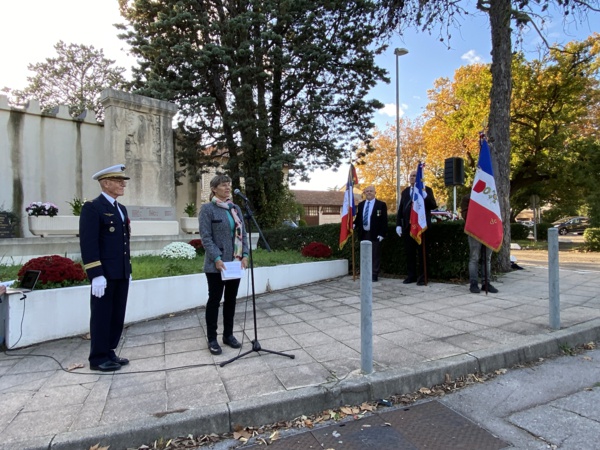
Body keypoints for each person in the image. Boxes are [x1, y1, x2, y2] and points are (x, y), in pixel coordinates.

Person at [79, 164, 132, 372]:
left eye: (123, 181)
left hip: (120, 271)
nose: (122, 184)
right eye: (118, 181)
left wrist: (128, 269)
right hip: (104, 274)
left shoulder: (121, 209)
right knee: (101, 315)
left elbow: (124, 243)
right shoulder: (93, 207)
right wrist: (96, 274)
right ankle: (98, 357)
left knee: (117, 315)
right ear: (105, 183)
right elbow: (89, 243)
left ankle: (109, 351)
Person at [199, 174, 249, 355]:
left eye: (229, 184)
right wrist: (217, 258)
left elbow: (242, 234)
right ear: (214, 189)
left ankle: (228, 335)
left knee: (231, 300)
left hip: (235, 263)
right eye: (223, 185)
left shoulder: (235, 208)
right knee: (214, 300)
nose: (227, 188)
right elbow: (206, 237)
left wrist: (244, 254)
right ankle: (212, 338)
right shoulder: (207, 209)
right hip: (217, 265)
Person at [395, 170, 437, 285]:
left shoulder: (426, 190)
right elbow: (401, 209)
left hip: (422, 227)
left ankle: (423, 277)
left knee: (422, 253)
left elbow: (433, 205)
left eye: (415, 176)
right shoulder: (405, 192)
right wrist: (398, 224)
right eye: (411, 176)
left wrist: (425, 196)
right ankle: (411, 275)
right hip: (408, 227)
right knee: (410, 253)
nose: (412, 178)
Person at [461, 193, 499, 294]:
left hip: (489, 231)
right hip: (475, 231)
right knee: (474, 258)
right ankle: (473, 283)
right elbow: (465, 215)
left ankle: (486, 283)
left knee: (487, 259)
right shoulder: (468, 197)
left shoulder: (491, 196)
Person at [354, 185, 388, 282]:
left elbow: (384, 221)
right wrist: (353, 225)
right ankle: (365, 273)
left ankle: (374, 274)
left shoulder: (381, 205)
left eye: (371, 191)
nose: (368, 193)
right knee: (364, 254)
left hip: (375, 234)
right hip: (364, 233)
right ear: (364, 193)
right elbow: (358, 219)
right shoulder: (361, 205)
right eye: (367, 191)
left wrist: (382, 234)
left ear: (375, 192)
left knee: (375, 255)